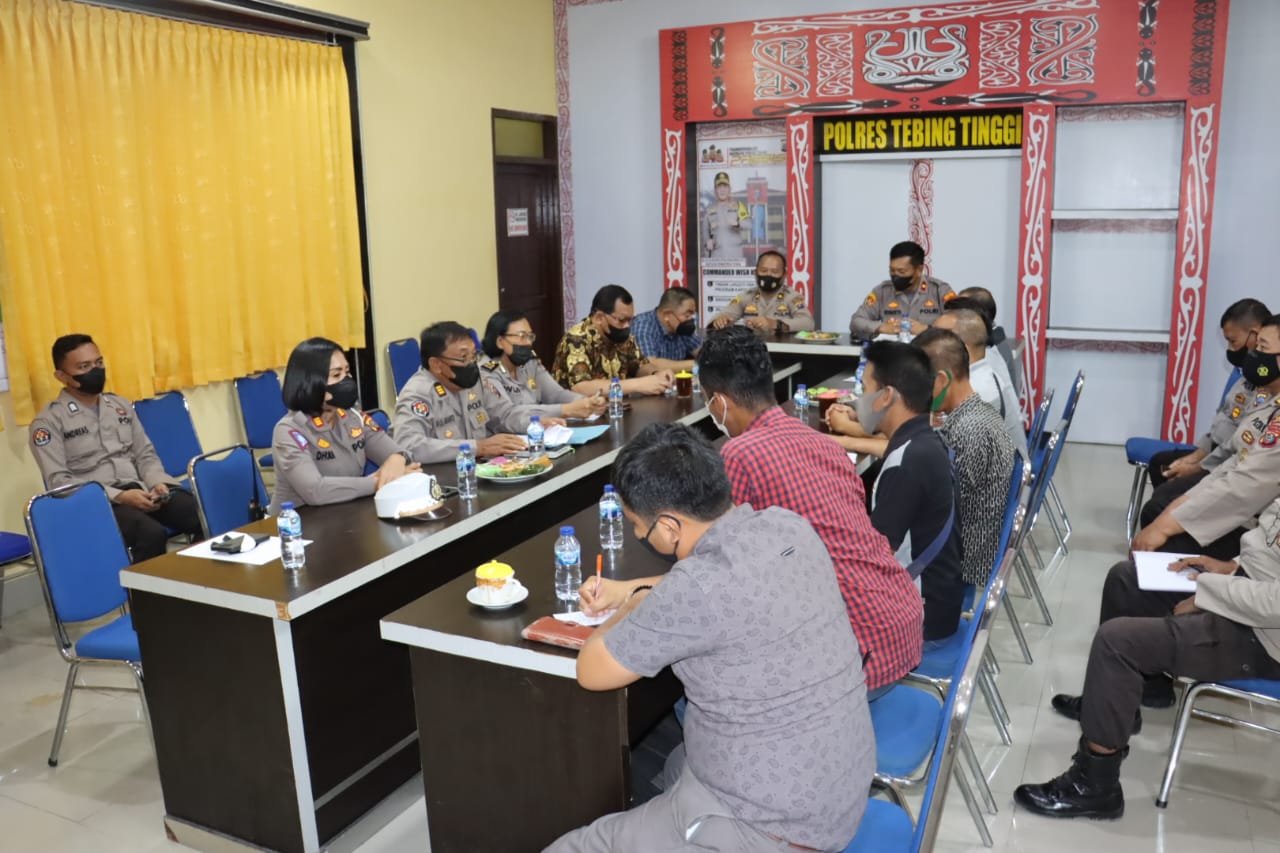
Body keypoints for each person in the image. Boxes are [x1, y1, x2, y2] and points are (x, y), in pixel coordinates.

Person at [546, 423, 873, 852]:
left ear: (668, 526)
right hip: (839, 786)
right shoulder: (787, 527)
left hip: (770, 827)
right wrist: (633, 589)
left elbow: (593, 670)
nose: (640, 536)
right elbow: (715, 587)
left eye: (638, 527)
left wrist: (629, 606)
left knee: (573, 847)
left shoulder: (696, 588)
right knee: (673, 762)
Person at [1014, 495, 1280, 820]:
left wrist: (1210, 594)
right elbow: (1269, 544)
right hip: (1244, 594)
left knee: (1117, 643)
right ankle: (1123, 707)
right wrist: (1233, 567)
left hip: (1264, 641)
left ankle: (1095, 786)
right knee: (1126, 579)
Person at [697, 327, 924, 697]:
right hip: (901, 623)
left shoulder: (739, 453)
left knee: (704, 693)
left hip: (858, 656)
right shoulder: (824, 444)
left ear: (720, 401)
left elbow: (719, 560)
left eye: (708, 402)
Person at [833, 341, 965, 644]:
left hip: (923, 617)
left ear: (886, 396)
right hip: (941, 598)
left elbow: (875, 561)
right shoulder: (924, 439)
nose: (859, 399)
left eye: (865, 388)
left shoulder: (906, 462)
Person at [28, 334, 203, 562]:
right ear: (62, 376)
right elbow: (59, 482)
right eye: (84, 366)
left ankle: (197, 577)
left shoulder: (119, 406)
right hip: (97, 503)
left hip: (140, 490)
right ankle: (143, 587)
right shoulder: (49, 422)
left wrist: (157, 483)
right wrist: (120, 496)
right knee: (150, 534)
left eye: (98, 362)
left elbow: (145, 455)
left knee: (201, 511)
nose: (95, 370)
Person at [1132, 313, 1280, 562]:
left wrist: (1166, 526)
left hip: (1262, 535)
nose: (1255, 354)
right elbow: (1233, 462)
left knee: (1155, 551)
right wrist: (1174, 513)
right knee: (1162, 513)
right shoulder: (1269, 404)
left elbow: (1245, 484)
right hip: (1243, 512)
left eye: (1263, 348)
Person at [915, 328, 1017, 587]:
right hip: (973, 544)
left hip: (965, 562)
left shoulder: (969, 431)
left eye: (919, 382)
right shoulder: (975, 413)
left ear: (940, 381)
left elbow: (940, 504)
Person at [272, 338, 418, 510]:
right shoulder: (288, 430)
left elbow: (400, 454)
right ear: (310, 382)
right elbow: (316, 491)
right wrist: (378, 482)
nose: (347, 380)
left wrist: (398, 458)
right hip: (297, 521)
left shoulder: (353, 416)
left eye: (347, 372)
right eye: (336, 375)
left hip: (345, 512)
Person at [1147, 297, 1271, 492]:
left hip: (1232, 463)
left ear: (1255, 334)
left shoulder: (1268, 381)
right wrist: (1195, 457)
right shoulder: (1246, 373)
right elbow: (1224, 420)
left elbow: (1239, 443)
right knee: (1160, 464)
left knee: (1164, 496)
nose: (1230, 349)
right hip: (1216, 453)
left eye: (1233, 341)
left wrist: (1199, 466)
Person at [393, 322, 529, 462]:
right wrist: (477, 448)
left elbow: (503, 414)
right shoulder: (418, 393)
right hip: (442, 473)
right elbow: (408, 446)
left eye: (474, 355)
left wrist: (538, 420)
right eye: (464, 357)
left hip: (480, 467)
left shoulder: (475, 380)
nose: (472, 363)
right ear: (436, 364)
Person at [478, 310, 607, 433]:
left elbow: (556, 394)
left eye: (530, 336)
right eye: (522, 336)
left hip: (538, 435)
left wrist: (588, 402)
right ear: (500, 342)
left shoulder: (529, 362)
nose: (528, 343)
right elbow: (507, 415)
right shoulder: (485, 372)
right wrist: (566, 410)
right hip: (507, 441)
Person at [933, 308, 1027, 455]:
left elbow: (937, 444)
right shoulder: (984, 372)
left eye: (937, 338)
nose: (929, 344)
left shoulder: (975, 389)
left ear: (961, 348)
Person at [551, 285, 675, 396]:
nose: (627, 326)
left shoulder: (623, 337)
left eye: (630, 320)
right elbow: (581, 388)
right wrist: (638, 385)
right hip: (579, 411)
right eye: (621, 320)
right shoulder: (576, 339)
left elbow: (639, 366)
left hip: (616, 408)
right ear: (599, 318)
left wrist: (656, 374)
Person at [849, 240, 954, 340]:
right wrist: (880, 327)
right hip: (893, 350)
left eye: (902, 271)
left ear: (919, 270)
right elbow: (856, 322)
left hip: (928, 350)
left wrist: (926, 329)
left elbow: (959, 324)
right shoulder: (882, 291)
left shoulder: (939, 290)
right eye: (892, 270)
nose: (896, 276)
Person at [709, 250, 814, 334]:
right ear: (755, 272)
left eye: (775, 272)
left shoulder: (792, 297)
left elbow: (808, 323)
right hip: (752, 350)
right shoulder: (747, 296)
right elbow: (724, 315)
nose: (768, 275)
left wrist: (776, 324)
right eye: (763, 271)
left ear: (784, 275)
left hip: (782, 350)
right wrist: (720, 320)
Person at [956, 286, 1024, 398]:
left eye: (959, 311)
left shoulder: (988, 351)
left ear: (977, 317)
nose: (954, 316)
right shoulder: (995, 339)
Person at [629, 286, 701, 372]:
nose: (691, 319)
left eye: (693, 314)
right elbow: (649, 365)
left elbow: (702, 352)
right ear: (667, 315)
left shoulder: (682, 328)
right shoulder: (643, 326)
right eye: (687, 315)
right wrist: (697, 364)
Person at [699, 171, 747, 261]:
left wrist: (738, 223)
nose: (722, 190)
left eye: (725, 186)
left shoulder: (739, 206)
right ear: (715, 190)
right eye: (719, 187)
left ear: (729, 189)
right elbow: (704, 231)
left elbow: (749, 224)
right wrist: (707, 241)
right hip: (717, 256)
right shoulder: (709, 210)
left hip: (735, 256)